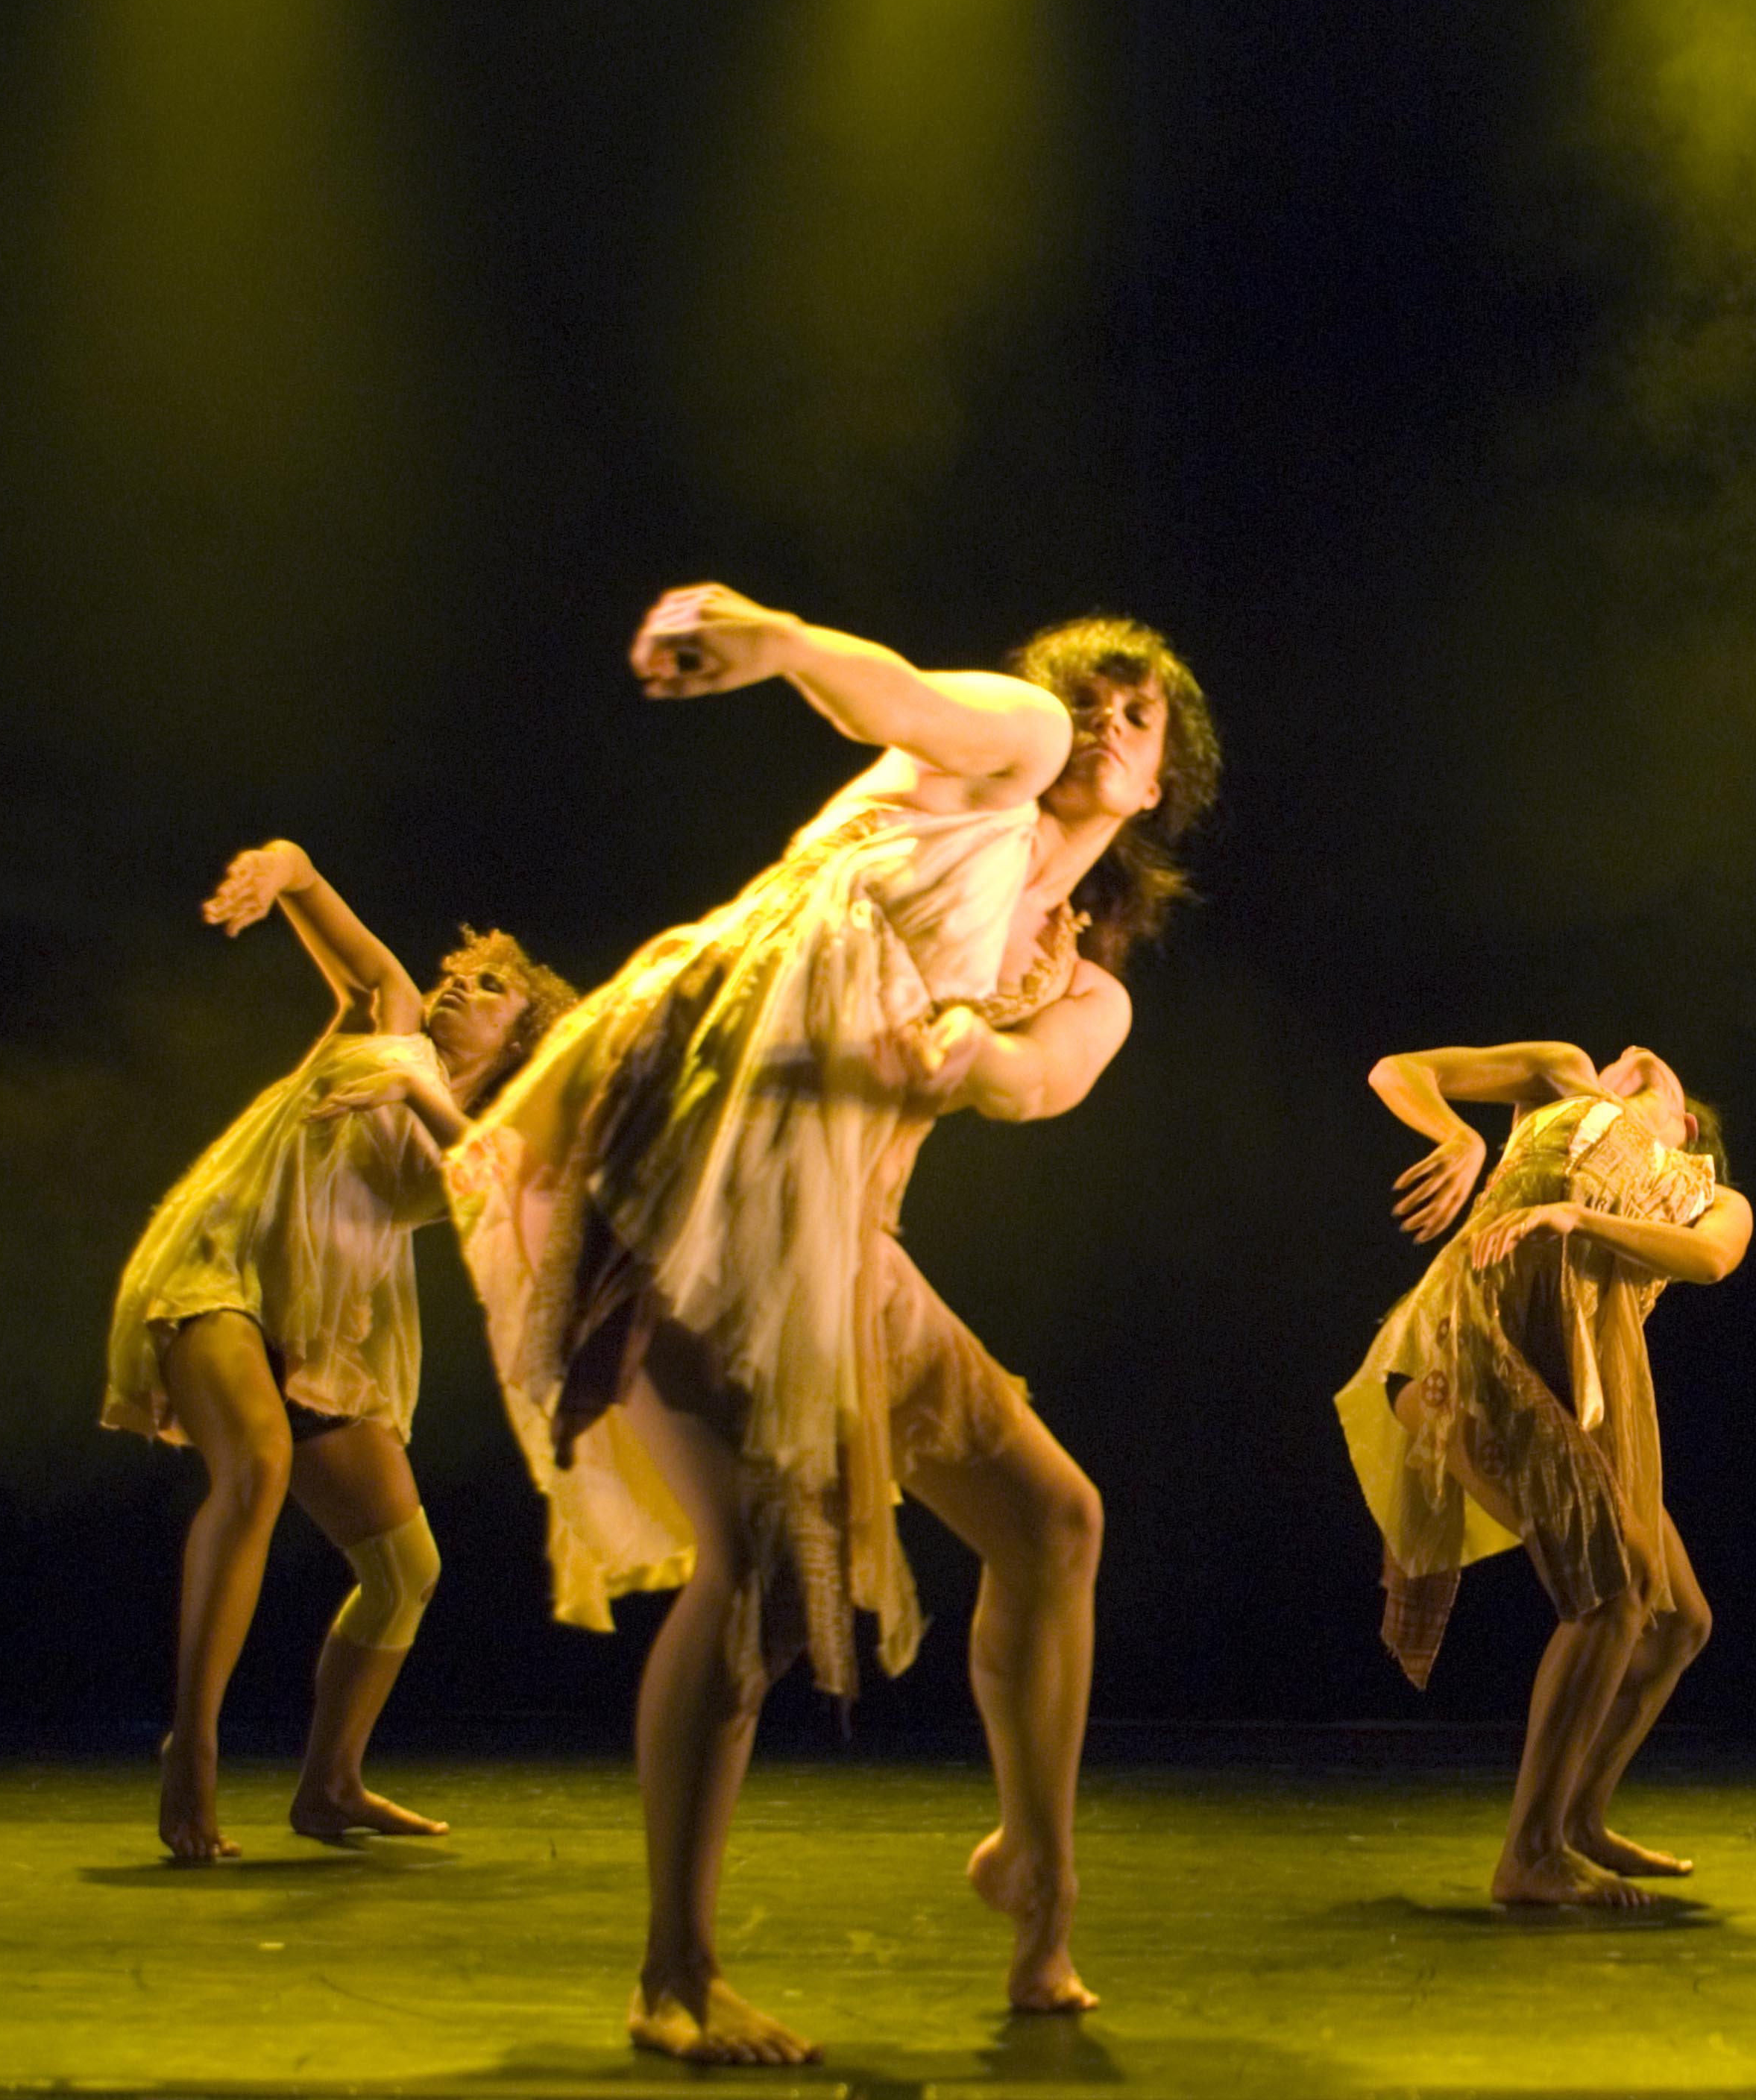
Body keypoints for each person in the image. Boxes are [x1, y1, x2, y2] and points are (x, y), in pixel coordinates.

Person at [447, 584, 1216, 2061]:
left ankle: (1037, 1871)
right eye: (1093, 693)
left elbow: (1036, 1080)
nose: (1105, 720)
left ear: (1160, 780)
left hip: (833, 1239)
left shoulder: (1080, 983)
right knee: (755, 1574)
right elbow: (897, 694)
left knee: (1054, 1522)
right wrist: (781, 643)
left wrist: (969, 1049)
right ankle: (676, 1976)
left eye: (1141, 714)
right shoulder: (995, 757)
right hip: (689, 1183)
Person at [105, 842, 572, 1864]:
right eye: (461, 973)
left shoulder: (476, 1126)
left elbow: (491, 1185)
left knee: (405, 1568)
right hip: (221, 1274)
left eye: (489, 988)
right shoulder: (389, 1019)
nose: (458, 986)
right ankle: (194, 1744)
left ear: (520, 1038)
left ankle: (330, 1783)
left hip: (321, 1331)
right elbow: (320, 893)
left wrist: (412, 1095)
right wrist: (275, 872)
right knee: (258, 1466)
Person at [1337, 1041, 1750, 1907]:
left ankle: (1578, 1819)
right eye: (1624, 1057)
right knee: (1614, 1588)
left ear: (1684, 1128)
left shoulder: (1707, 1193)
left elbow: (1712, 1257)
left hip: (1566, 1400)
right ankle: (1530, 1853)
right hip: (1466, 1360)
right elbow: (1396, 1071)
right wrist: (1457, 1135)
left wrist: (1577, 1219)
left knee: (1679, 1620)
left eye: (1653, 1069)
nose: (1632, 1053)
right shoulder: (1563, 1079)